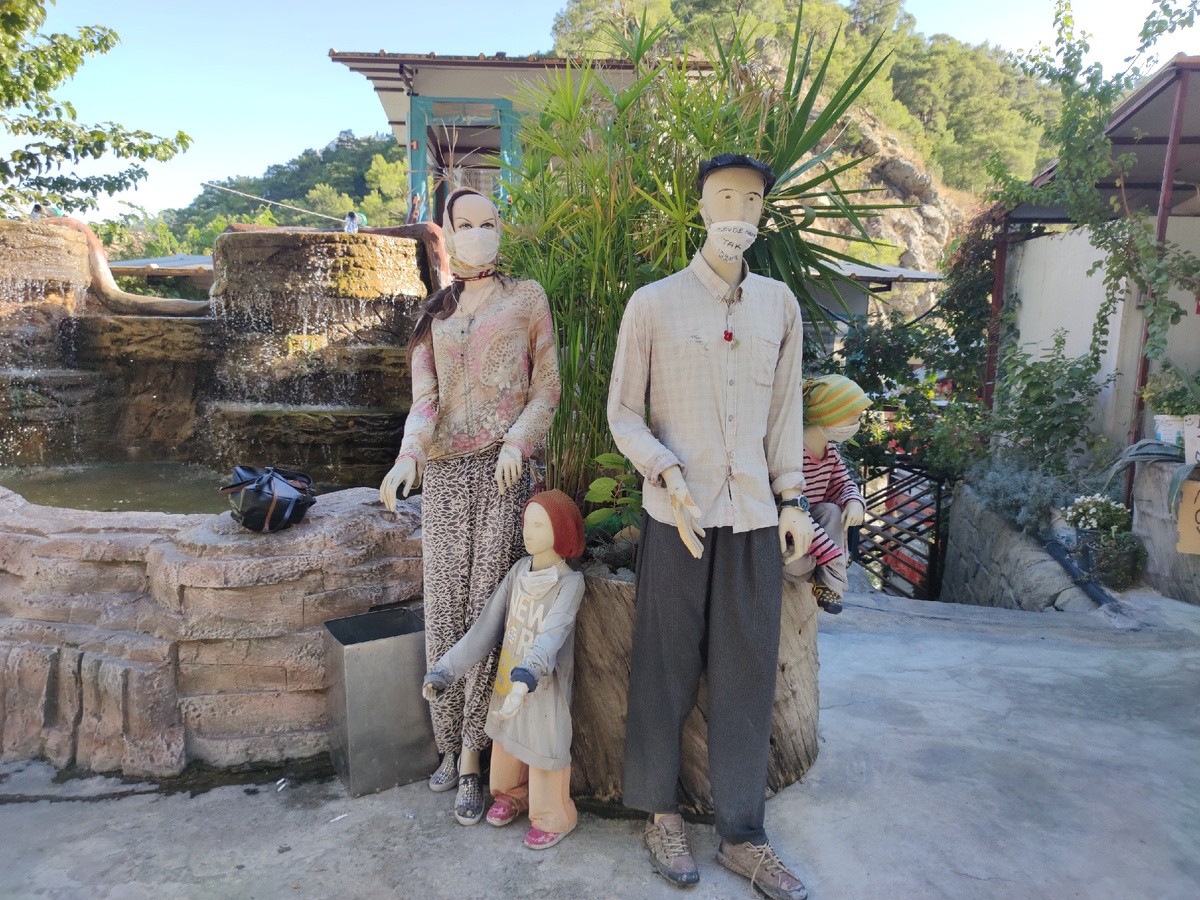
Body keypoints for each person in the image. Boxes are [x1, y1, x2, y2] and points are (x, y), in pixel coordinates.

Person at [608, 153, 813, 900]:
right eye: (724, 196)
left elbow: (785, 412)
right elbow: (623, 411)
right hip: (678, 516)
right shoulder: (652, 304)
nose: (738, 211)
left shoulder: (780, 307)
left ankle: (742, 835)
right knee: (663, 666)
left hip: (753, 515)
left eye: (752, 199)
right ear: (699, 207)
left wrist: (792, 498)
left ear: (763, 211)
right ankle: (660, 814)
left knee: (746, 674)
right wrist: (664, 471)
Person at [379, 187, 561, 826]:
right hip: (446, 474)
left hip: (505, 471)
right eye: (467, 223)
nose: (480, 232)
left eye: (490, 222)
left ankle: (473, 760)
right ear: (449, 233)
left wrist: (518, 441)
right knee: (445, 608)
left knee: (489, 608)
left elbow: (547, 387)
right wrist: (409, 455)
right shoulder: (435, 311)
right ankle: (447, 740)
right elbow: (425, 398)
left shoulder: (527, 297)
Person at [422, 490, 586, 849]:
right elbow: (485, 629)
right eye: (527, 523)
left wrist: (527, 678)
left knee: (544, 744)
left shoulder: (570, 583)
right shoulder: (518, 572)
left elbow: (553, 633)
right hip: (508, 676)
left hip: (543, 684)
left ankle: (555, 815)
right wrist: (445, 671)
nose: (528, 531)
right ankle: (512, 793)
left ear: (561, 530)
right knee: (508, 739)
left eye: (539, 525)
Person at [783, 374, 873, 614]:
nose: (857, 423)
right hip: (788, 534)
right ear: (831, 414)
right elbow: (793, 510)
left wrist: (854, 501)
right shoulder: (792, 454)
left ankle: (829, 582)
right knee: (798, 565)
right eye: (853, 416)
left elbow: (843, 483)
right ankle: (832, 566)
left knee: (832, 510)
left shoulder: (830, 452)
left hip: (816, 535)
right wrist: (832, 554)